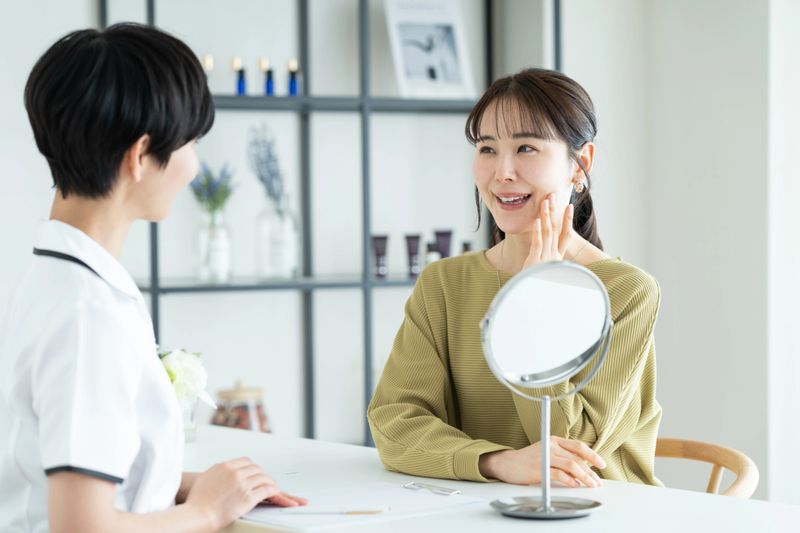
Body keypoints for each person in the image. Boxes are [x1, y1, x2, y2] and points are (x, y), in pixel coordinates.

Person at [0, 23, 305, 532]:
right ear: (140, 156)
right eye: (190, 141)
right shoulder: (87, 314)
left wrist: (193, 484)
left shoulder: (57, 281)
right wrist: (205, 511)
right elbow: (82, 528)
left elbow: (51, 464)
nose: (193, 165)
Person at [368, 68, 662, 489]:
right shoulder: (443, 285)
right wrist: (496, 462)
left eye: (526, 147)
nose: (502, 172)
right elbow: (394, 423)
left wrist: (532, 301)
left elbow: (569, 448)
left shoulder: (628, 291)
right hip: (474, 514)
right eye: (487, 149)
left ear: (581, 164)